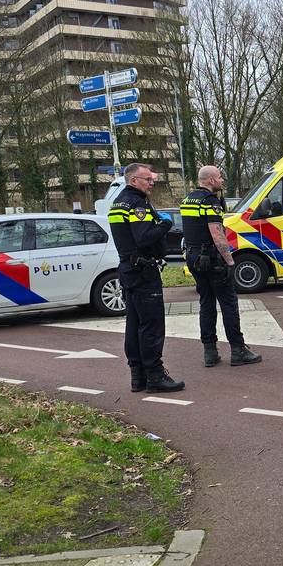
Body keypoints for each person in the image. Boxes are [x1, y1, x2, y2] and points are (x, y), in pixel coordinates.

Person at [109, 163, 185, 394]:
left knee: (134, 325)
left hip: (128, 270)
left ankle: (137, 376)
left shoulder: (118, 203)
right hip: (143, 272)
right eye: (147, 179)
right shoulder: (137, 204)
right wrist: (165, 224)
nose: (151, 183)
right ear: (133, 181)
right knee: (151, 325)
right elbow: (143, 237)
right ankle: (155, 375)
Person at [180, 165, 262, 368]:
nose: (222, 180)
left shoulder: (188, 200)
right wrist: (230, 260)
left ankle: (209, 351)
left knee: (206, 303)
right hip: (212, 260)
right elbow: (217, 234)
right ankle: (238, 350)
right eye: (219, 177)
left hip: (194, 258)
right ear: (209, 180)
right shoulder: (210, 202)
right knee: (228, 304)